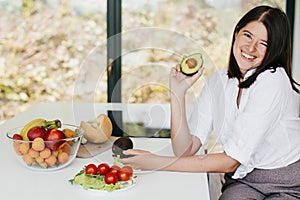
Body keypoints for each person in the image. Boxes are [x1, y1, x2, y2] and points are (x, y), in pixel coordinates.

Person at [121, 5, 300, 199]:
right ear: (237, 33)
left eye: (263, 43)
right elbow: (185, 150)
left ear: (274, 50)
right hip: (243, 179)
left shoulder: (274, 81)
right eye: (248, 35)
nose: (251, 48)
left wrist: (156, 162)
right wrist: (177, 93)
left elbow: (231, 161)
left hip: (286, 182)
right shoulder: (219, 80)